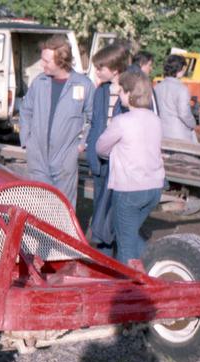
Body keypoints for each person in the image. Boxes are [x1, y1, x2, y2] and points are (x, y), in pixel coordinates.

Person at [96, 70, 165, 264]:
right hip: (153, 188)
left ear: (129, 94)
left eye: (121, 92)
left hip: (129, 190)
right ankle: (155, 266)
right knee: (131, 234)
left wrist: (115, 152)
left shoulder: (121, 121)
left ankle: (133, 285)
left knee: (125, 243)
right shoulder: (156, 120)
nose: (118, 95)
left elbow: (101, 148)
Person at [19, 35, 94, 207]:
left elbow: (92, 118)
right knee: (38, 207)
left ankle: (61, 235)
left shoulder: (83, 85)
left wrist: (82, 144)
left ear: (61, 61)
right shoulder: (39, 82)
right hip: (37, 156)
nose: (42, 64)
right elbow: (26, 110)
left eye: (46, 61)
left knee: (62, 207)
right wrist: (26, 141)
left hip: (65, 158)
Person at [85, 43, 129, 249]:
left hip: (119, 161)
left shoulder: (130, 93)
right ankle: (102, 253)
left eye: (100, 68)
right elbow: (95, 123)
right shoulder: (100, 91)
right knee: (98, 206)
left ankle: (116, 252)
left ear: (115, 69)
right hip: (99, 160)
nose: (96, 71)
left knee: (114, 210)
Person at [154, 54, 197, 143]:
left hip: (161, 133)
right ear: (180, 70)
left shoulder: (157, 87)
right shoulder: (182, 89)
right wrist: (193, 124)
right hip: (179, 134)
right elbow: (184, 113)